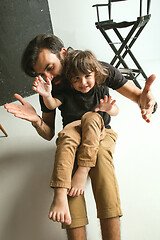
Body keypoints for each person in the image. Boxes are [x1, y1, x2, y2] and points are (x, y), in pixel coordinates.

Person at [4, 33, 157, 240]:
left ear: (63, 54)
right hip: (73, 136)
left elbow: (138, 96)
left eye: (50, 67)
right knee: (69, 159)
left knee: (101, 157)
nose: (47, 77)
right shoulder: (49, 88)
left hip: (101, 132)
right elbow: (49, 133)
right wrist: (36, 120)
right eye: (41, 74)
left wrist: (149, 102)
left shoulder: (95, 68)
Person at [32, 49, 119, 225]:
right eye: (76, 79)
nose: (83, 82)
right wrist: (47, 95)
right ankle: (60, 194)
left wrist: (109, 109)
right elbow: (52, 104)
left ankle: (83, 169)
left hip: (96, 129)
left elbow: (116, 110)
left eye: (87, 76)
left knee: (91, 117)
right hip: (75, 130)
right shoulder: (66, 91)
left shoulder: (101, 89)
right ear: (70, 81)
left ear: (95, 73)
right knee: (66, 136)